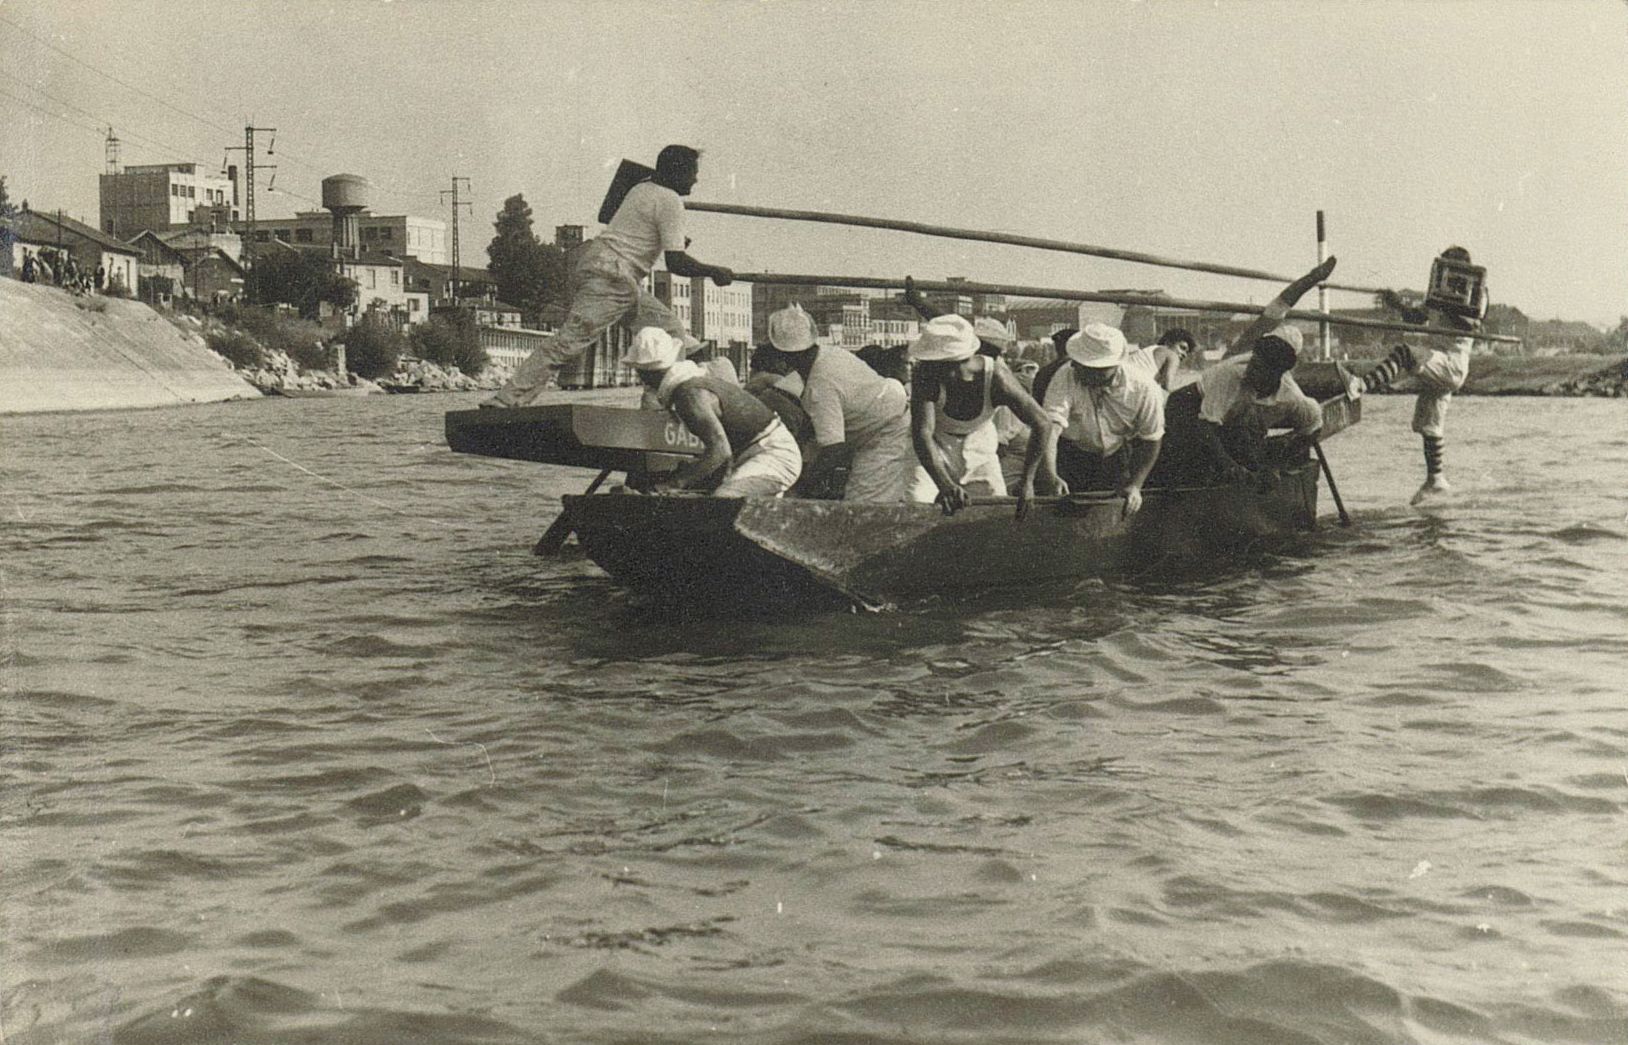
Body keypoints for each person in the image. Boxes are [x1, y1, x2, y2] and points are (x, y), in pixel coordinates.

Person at [483, 145, 734, 408]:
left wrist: (674, 238)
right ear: (677, 172)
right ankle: (506, 399)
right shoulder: (670, 200)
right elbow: (676, 262)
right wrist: (714, 271)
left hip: (611, 272)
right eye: (692, 173)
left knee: (672, 333)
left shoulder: (640, 188)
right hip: (613, 277)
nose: (695, 179)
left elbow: (632, 225)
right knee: (569, 342)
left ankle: (662, 404)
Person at [1339, 248, 1482, 504]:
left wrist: (1449, 305)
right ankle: (1435, 480)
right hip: (1439, 360)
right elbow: (1417, 318)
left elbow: (1472, 323)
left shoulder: (1476, 293)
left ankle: (1360, 385)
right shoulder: (1438, 292)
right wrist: (1397, 304)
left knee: (1406, 353)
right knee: (1431, 426)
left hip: (1451, 363)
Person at [906, 314, 1056, 516]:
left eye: (937, 364)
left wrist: (1027, 481)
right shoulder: (925, 374)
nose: (930, 368)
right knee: (917, 502)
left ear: (958, 361)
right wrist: (944, 483)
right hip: (935, 445)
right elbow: (923, 434)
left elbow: (1043, 423)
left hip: (980, 444)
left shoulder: (997, 378)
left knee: (995, 508)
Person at [626, 327, 802, 497]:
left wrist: (672, 485)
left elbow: (720, 452)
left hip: (773, 454)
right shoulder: (694, 382)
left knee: (722, 502)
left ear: (644, 374)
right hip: (758, 450)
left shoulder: (689, 396)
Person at [770, 304, 915, 502]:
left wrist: (802, 487)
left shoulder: (820, 387)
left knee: (864, 502)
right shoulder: (830, 353)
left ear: (784, 356)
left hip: (886, 430)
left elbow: (833, 450)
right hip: (883, 413)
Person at [1041, 324, 1164, 515]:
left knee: (1110, 511)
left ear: (1103, 369)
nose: (1074, 366)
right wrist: (1051, 474)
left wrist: (1136, 485)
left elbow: (1152, 439)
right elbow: (1051, 428)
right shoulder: (1066, 374)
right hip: (1070, 454)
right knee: (1062, 513)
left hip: (1116, 455)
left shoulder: (1144, 388)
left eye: (1082, 365)